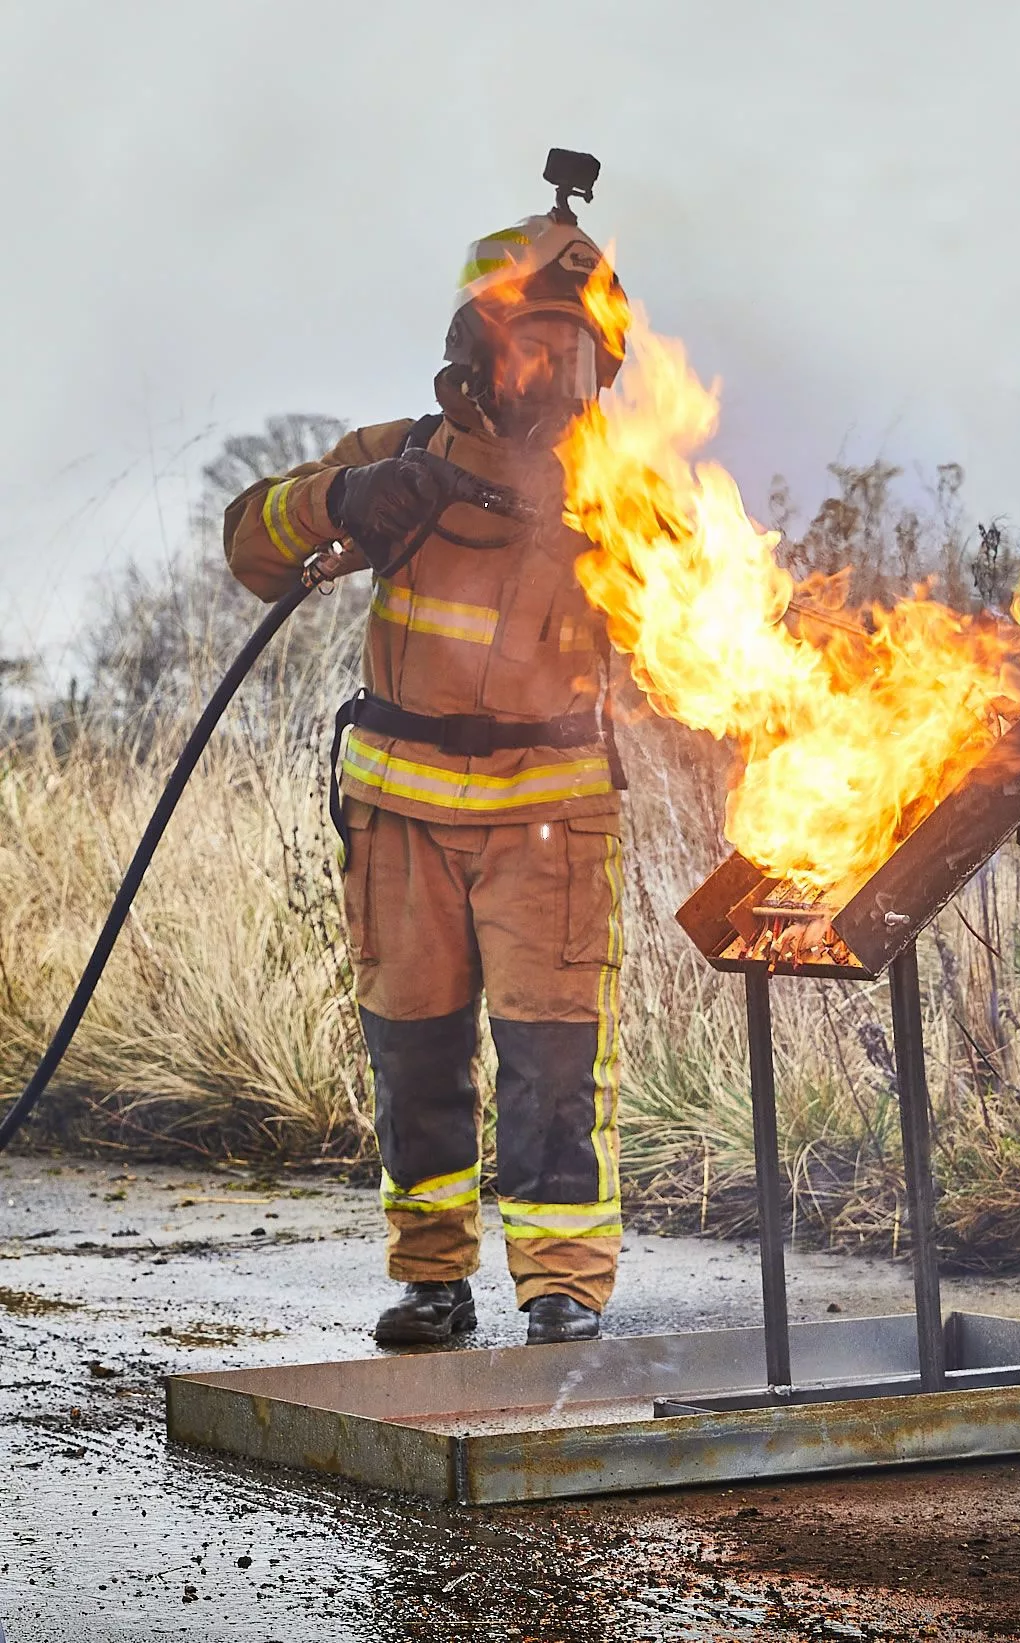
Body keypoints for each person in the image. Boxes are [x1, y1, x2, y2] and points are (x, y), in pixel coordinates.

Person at [223, 173, 631, 1346]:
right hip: (400, 812)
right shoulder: (399, 457)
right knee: (415, 1052)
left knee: (556, 1060)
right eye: (532, 347)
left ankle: (559, 1282)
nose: (553, 377)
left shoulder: (629, 491)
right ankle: (433, 1278)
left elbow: (704, 638)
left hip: (549, 818)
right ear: (477, 345)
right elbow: (252, 542)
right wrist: (346, 496)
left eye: (576, 354)